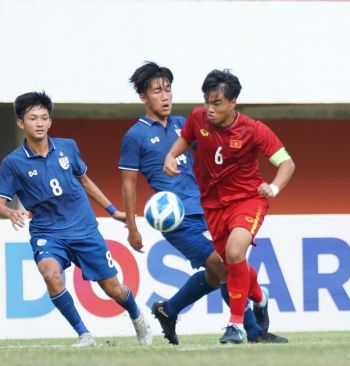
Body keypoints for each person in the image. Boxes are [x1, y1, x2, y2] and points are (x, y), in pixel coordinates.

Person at [121, 62, 287, 345]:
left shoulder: (185, 123)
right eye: (157, 91)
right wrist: (132, 227)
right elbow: (128, 183)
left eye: (168, 89)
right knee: (225, 266)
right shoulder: (134, 135)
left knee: (216, 272)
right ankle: (254, 331)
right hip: (174, 219)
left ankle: (169, 310)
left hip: (207, 208)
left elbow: (216, 156)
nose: (165, 96)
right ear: (143, 98)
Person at [0, 91, 152, 347]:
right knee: (50, 272)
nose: (39, 123)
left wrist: (113, 211)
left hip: (84, 229)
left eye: (44, 118)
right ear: (21, 123)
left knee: (113, 289)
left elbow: (85, 181)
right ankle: (84, 334)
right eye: (33, 118)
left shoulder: (68, 147)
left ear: (50, 121)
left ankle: (137, 316)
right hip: (48, 233)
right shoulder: (12, 163)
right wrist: (11, 211)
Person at [164, 69, 295, 344]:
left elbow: (287, 163)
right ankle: (260, 297)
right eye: (207, 102)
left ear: (233, 102)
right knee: (231, 261)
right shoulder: (198, 118)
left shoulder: (254, 129)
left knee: (235, 252)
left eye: (217, 103)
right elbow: (186, 138)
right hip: (213, 205)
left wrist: (273, 188)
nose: (209, 109)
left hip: (248, 199)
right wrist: (172, 155)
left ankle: (235, 326)